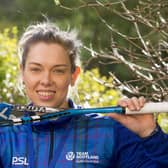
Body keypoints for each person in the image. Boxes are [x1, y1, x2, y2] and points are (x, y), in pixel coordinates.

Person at [0, 22, 167, 168]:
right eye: (36, 69)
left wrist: (150, 134)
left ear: (74, 76)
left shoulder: (108, 132)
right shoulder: (5, 133)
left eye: (58, 71)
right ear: (22, 73)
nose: (46, 80)